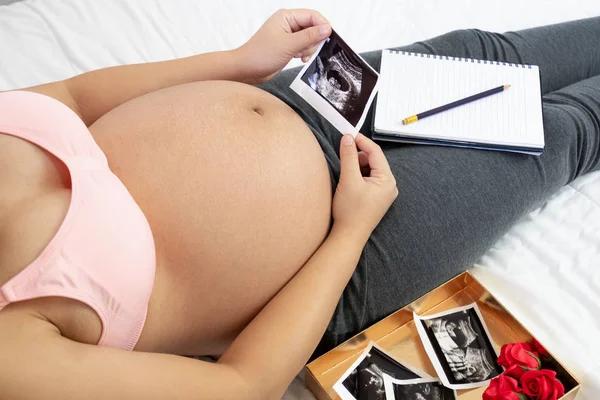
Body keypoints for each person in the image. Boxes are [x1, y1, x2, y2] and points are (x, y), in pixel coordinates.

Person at [0, 8, 598, 399]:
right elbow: (244, 384)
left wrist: (239, 63)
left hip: (308, 99)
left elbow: (77, 95)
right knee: (563, 130)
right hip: (342, 253)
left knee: (489, 53)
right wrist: (350, 228)